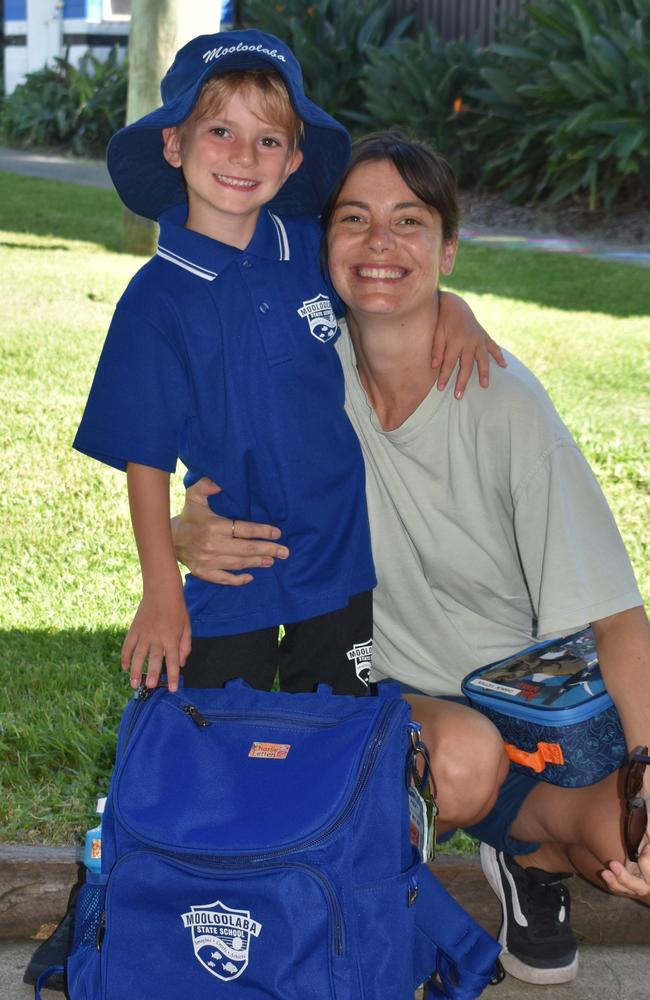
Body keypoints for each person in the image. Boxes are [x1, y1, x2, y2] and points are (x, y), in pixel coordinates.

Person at [172, 131, 650, 986]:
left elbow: (618, 617)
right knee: (459, 757)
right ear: (324, 247)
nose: (380, 244)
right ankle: (334, 918)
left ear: (449, 248)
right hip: (397, 696)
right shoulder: (306, 379)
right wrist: (181, 530)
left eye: (410, 222)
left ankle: (530, 861)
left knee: (638, 846)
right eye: (354, 220)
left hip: (536, 713)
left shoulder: (504, 402)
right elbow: (200, 481)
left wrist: (647, 777)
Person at [73, 29, 500, 701]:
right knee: (210, 735)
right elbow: (145, 461)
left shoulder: (309, 249)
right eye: (219, 131)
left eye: (268, 140)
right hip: (231, 561)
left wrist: (456, 310)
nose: (244, 156)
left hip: (338, 558)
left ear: (295, 159)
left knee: (331, 731)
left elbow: (382, 294)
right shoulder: (155, 301)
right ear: (173, 143)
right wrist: (161, 591)